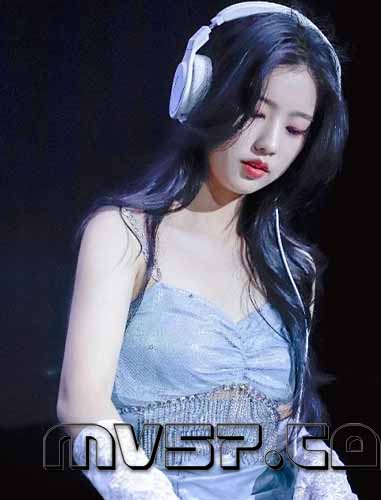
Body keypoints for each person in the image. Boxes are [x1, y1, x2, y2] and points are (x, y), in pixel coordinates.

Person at [56, 2, 358, 498]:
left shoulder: (291, 266)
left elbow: (283, 420)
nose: (269, 143)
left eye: (294, 129)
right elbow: (81, 405)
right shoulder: (125, 235)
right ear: (202, 93)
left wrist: (321, 470)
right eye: (256, 112)